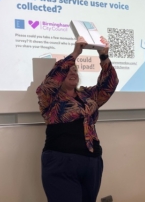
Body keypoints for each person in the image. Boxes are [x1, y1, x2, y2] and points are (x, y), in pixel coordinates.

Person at [36, 36, 119, 202]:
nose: (73, 71)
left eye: (75, 69)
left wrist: (103, 56)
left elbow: (109, 85)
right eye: (69, 69)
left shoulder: (88, 95)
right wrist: (76, 53)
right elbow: (51, 81)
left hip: (91, 161)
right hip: (61, 161)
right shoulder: (49, 97)